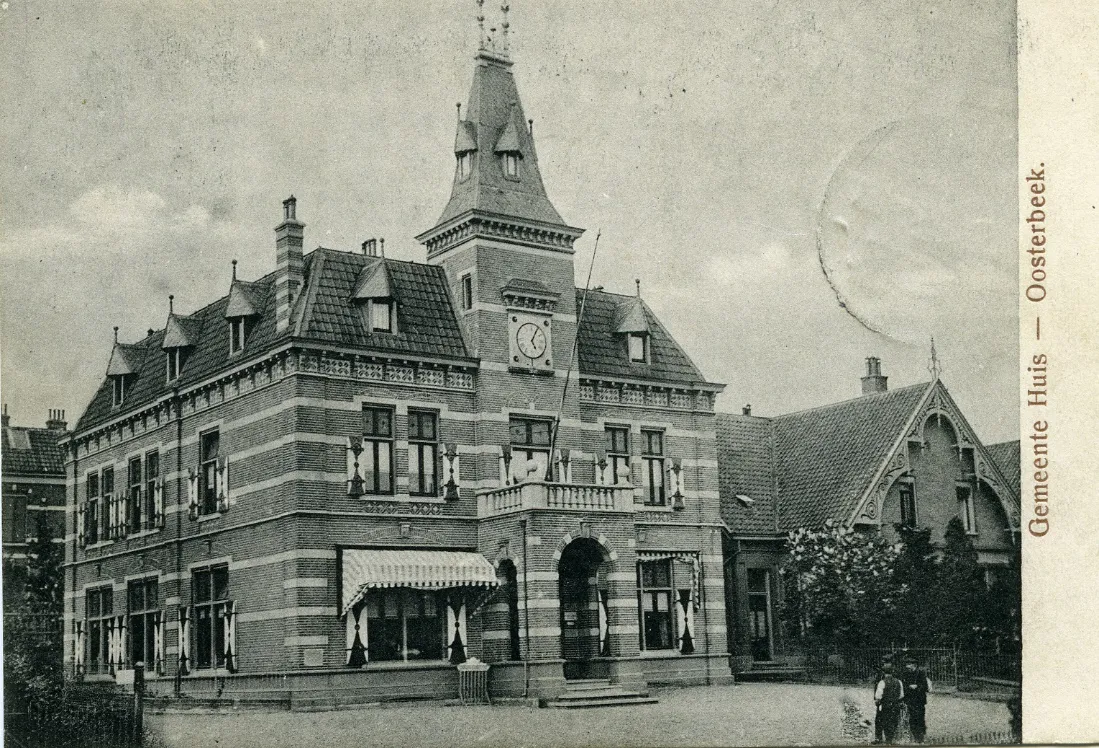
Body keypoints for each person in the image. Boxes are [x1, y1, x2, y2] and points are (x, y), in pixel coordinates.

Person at [901, 654, 932, 743]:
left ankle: (921, 736)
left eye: (909, 664)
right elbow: (902, 685)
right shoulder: (905, 674)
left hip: (919, 699)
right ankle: (915, 737)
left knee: (920, 717)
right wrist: (908, 687)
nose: (907, 666)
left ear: (915, 665)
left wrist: (917, 687)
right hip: (909, 699)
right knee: (912, 718)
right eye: (907, 664)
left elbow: (925, 687)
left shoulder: (921, 673)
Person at [874, 661, 904, 744]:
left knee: (880, 721)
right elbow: (901, 695)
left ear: (883, 672)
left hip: (885, 706)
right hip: (895, 706)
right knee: (892, 722)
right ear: (892, 672)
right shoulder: (899, 682)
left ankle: (879, 739)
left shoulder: (882, 682)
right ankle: (889, 740)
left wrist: (877, 702)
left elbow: (878, 696)